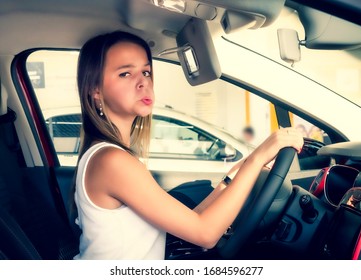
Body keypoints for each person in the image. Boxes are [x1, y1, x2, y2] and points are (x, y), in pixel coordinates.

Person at [72, 30, 304, 260]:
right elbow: (205, 233)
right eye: (125, 74)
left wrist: (237, 173)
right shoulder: (112, 161)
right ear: (95, 90)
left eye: (145, 71)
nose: (143, 82)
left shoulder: (111, 155)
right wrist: (258, 158)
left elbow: (192, 219)